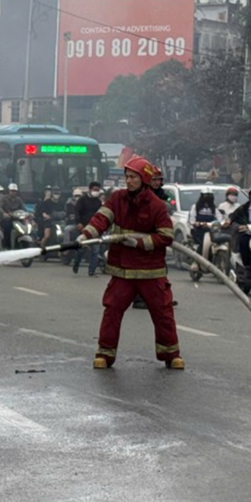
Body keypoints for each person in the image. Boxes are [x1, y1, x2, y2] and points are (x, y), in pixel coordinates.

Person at [77, 156, 184, 370]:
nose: (129, 181)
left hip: (150, 272)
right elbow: (101, 218)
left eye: (133, 177)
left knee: (162, 312)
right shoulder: (117, 199)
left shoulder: (156, 206)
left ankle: (170, 354)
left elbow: (165, 236)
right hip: (123, 270)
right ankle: (105, 354)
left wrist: (139, 243)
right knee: (112, 310)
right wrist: (87, 234)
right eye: (127, 177)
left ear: (143, 179)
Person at [73, 182, 103, 276]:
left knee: (95, 249)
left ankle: (92, 270)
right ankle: (76, 263)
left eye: (98, 190)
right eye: (95, 189)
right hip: (83, 227)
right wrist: (78, 222)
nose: (96, 192)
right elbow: (77, 211)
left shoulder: (98, 202)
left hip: (94, 228)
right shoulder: (82, 200)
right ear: (90, 189)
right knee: (82, 248)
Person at [187, 188, 222, 265]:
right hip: (198, 230)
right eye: (206, 196)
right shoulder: (195, 207)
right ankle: (197, 262)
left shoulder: (213, 208)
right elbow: (191, 220)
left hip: (210, 230)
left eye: (210, 196)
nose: (208, 198)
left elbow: (220, 218)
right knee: (202, 244)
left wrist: (220, 223)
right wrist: (198, 224)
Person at [0, 183, 26, 250]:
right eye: (12, 191)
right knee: (8, 228)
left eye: (15, 191)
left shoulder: (18, 199)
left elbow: (23, 208)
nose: (13, 193)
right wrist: (4, 213)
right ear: (9, 191)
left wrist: (28, 213)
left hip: (17, 219)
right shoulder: (4, 199)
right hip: (6, 219)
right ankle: (7, 245)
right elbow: (0, 207)